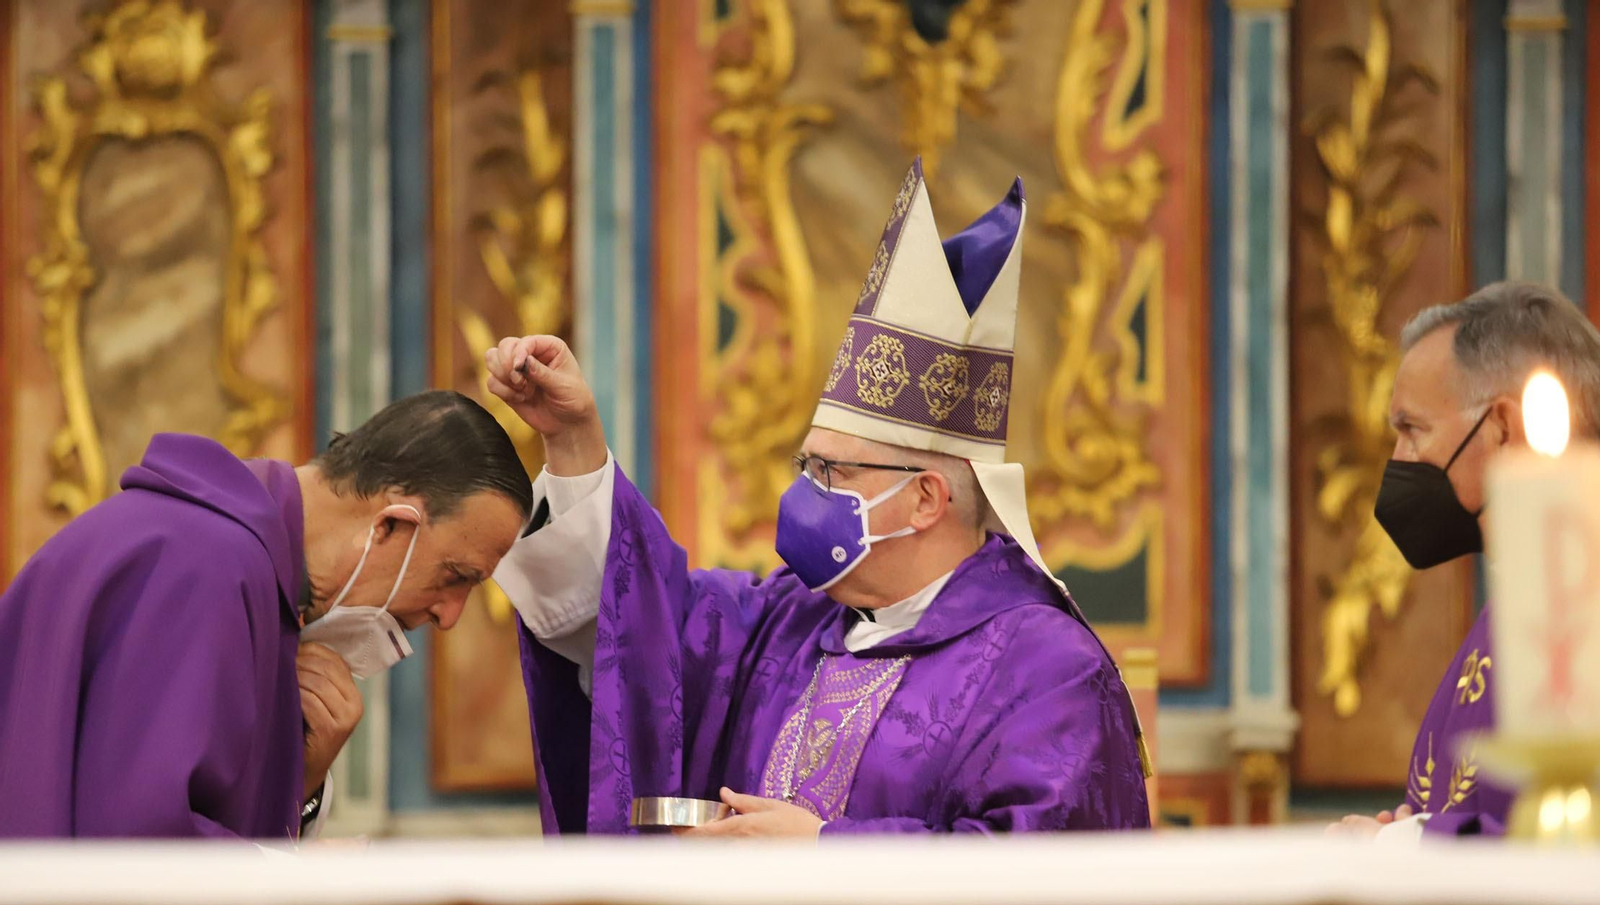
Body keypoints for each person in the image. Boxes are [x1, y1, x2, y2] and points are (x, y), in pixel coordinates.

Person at [489, 159, 1152, 837]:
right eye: (806, 464)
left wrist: (824, 850)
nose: (806, 491)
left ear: (926, 498)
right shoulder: (784, 620)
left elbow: (1049, 884)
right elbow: (629, 623)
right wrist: (572, 441)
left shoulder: (1049, 669)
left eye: (832, 470)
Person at [0, 391, 532, 839]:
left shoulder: (234, 561)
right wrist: (300, 880)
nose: (450, 616)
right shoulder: (205, 564)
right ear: (391, 524)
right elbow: (139, 847)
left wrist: (299, 777)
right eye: (456, 576)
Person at [1333, 281, 1600, 839]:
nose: (1398, 460)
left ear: (1503, 427)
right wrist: (1412, 836)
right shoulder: (1521, 599)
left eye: (1412, 430)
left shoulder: (1582, 601)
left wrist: (1402, 848)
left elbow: (1571, 840)